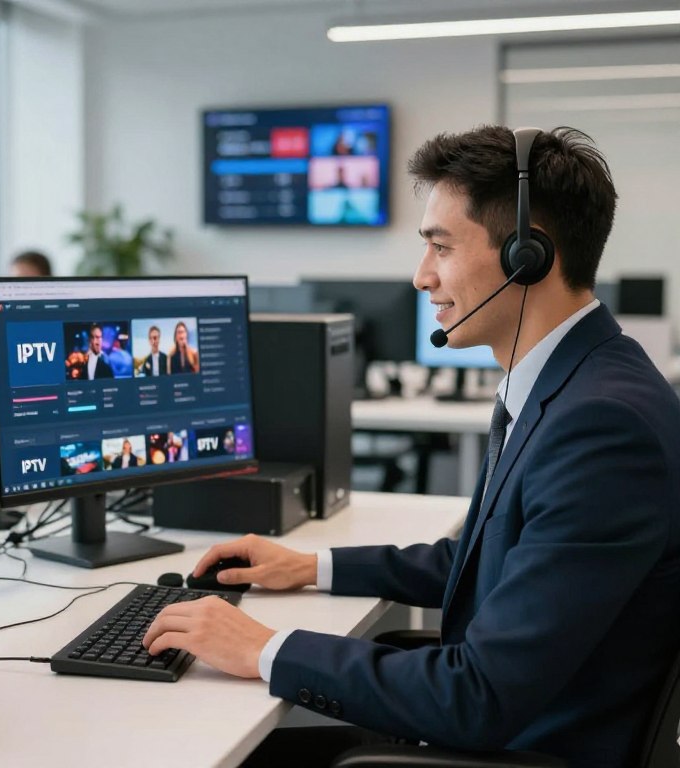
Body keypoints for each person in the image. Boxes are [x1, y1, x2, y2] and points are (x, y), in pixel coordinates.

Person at [142, 126, 680, 768]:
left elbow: (475, 697)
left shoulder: (601, 425)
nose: (422, 277)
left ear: (527, 256)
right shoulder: (574, 380)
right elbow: (496, 555)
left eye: (441, 247)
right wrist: (310, 567)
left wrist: (264, 647)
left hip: (522, 748)